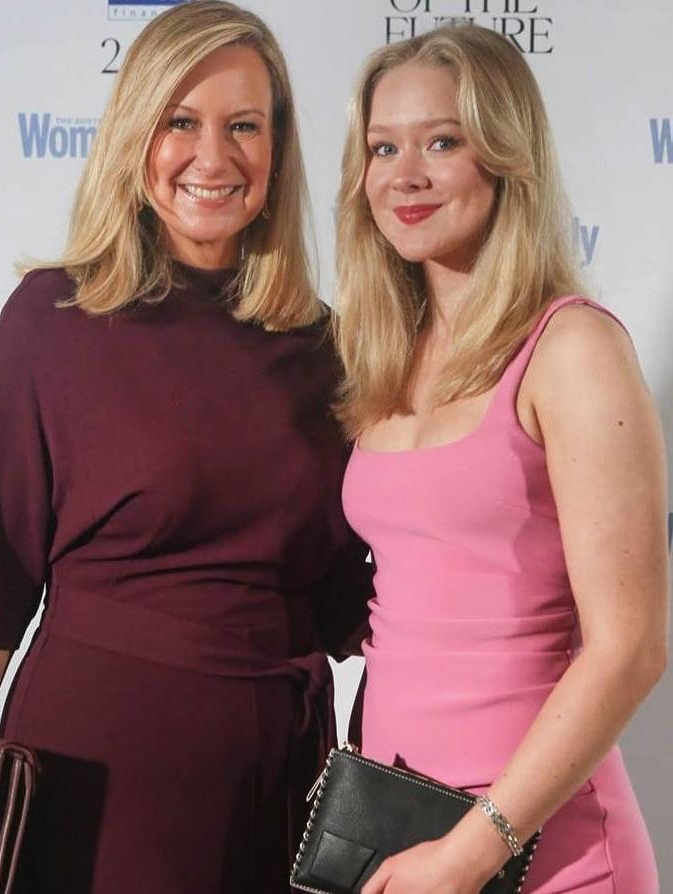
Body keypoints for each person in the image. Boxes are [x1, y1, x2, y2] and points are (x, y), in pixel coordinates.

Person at [0, 3, 372, 892]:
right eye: (180, 122)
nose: (214, 156)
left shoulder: (332, 349)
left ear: (278, 151)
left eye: (245, 125)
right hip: (90, 782)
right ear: (136, 139)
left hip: (276, 788)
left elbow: (345, 600)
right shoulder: (53, 320)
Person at [335, 24, 668, 894]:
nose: (405, 175)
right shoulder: (385, 355)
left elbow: (631, 647)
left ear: (506, 156)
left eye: (443, 142)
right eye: (383, 147)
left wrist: (470, 855)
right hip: (400, 837)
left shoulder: (573, 348)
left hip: (545, 853)